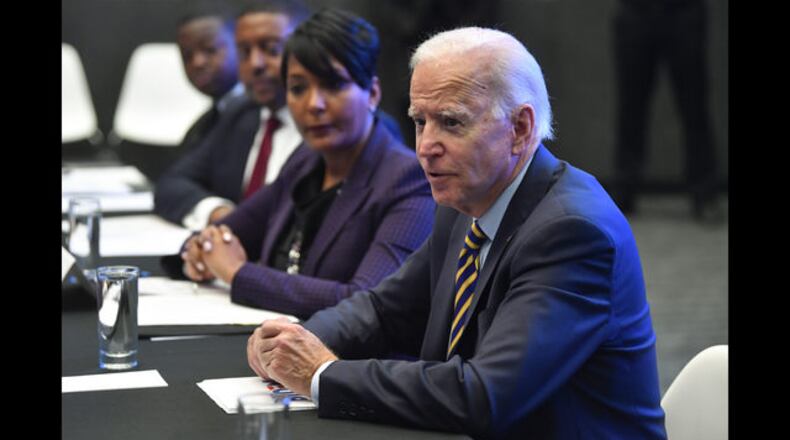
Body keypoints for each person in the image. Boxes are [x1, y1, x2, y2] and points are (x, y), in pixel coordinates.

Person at [247, 27, 667, 438]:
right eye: (419, 121)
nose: (426, 146)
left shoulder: (572, 232)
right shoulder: (465, 200)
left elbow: (485, 396)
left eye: (450, 123)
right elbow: (383, 310)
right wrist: (299, 341)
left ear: (520, 128)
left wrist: (322, 374)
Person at [180, 9, 435, 320]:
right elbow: (229, 232)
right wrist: (200, 249)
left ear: (372, 93)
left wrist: (237, 273)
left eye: (333, 85)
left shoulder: (407, 179)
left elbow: (368, 301)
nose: (313, 104)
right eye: (298, 88)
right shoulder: (306, 160)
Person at [154, 0, 310, 230]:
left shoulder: (326, 127)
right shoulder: (239, 115)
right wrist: (220, 213)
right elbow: (172, 184)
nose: (254, 64)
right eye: (244, 52)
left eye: (272, 49)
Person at [611, 0, 722, 223]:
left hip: (684, 10)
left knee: (694, 105)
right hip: (636, 11)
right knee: (630, 105)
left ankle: (704, 190)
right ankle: (625, 187)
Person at [175, 7, 245, 155]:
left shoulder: (260, 116)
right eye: (187, 56)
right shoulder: (200, 129)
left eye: (209, 49)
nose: (197, 62)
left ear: (241, 47)